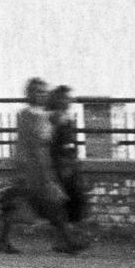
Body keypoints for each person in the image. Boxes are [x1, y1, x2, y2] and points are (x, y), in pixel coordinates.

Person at [0, 77, 85, 255]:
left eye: (44, 92)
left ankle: (3, 241)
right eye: (38, 92)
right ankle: (67, 242)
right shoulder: (29, 115)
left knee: (22, 204)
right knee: (49, 205)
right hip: (33, 168)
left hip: (37, 167)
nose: (42, 96)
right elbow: (35, 144)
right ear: (29, 95)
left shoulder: (40, 115)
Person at [47, 84, 90, 239]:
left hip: (68, 161)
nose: (69, 101)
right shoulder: (55, 117)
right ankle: (64, 237)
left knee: (75, 198)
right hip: (60, 162)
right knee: (66, 198)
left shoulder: (66, 116)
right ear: (58, 99)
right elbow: (53, 142)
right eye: (66, 98)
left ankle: (69, 235)